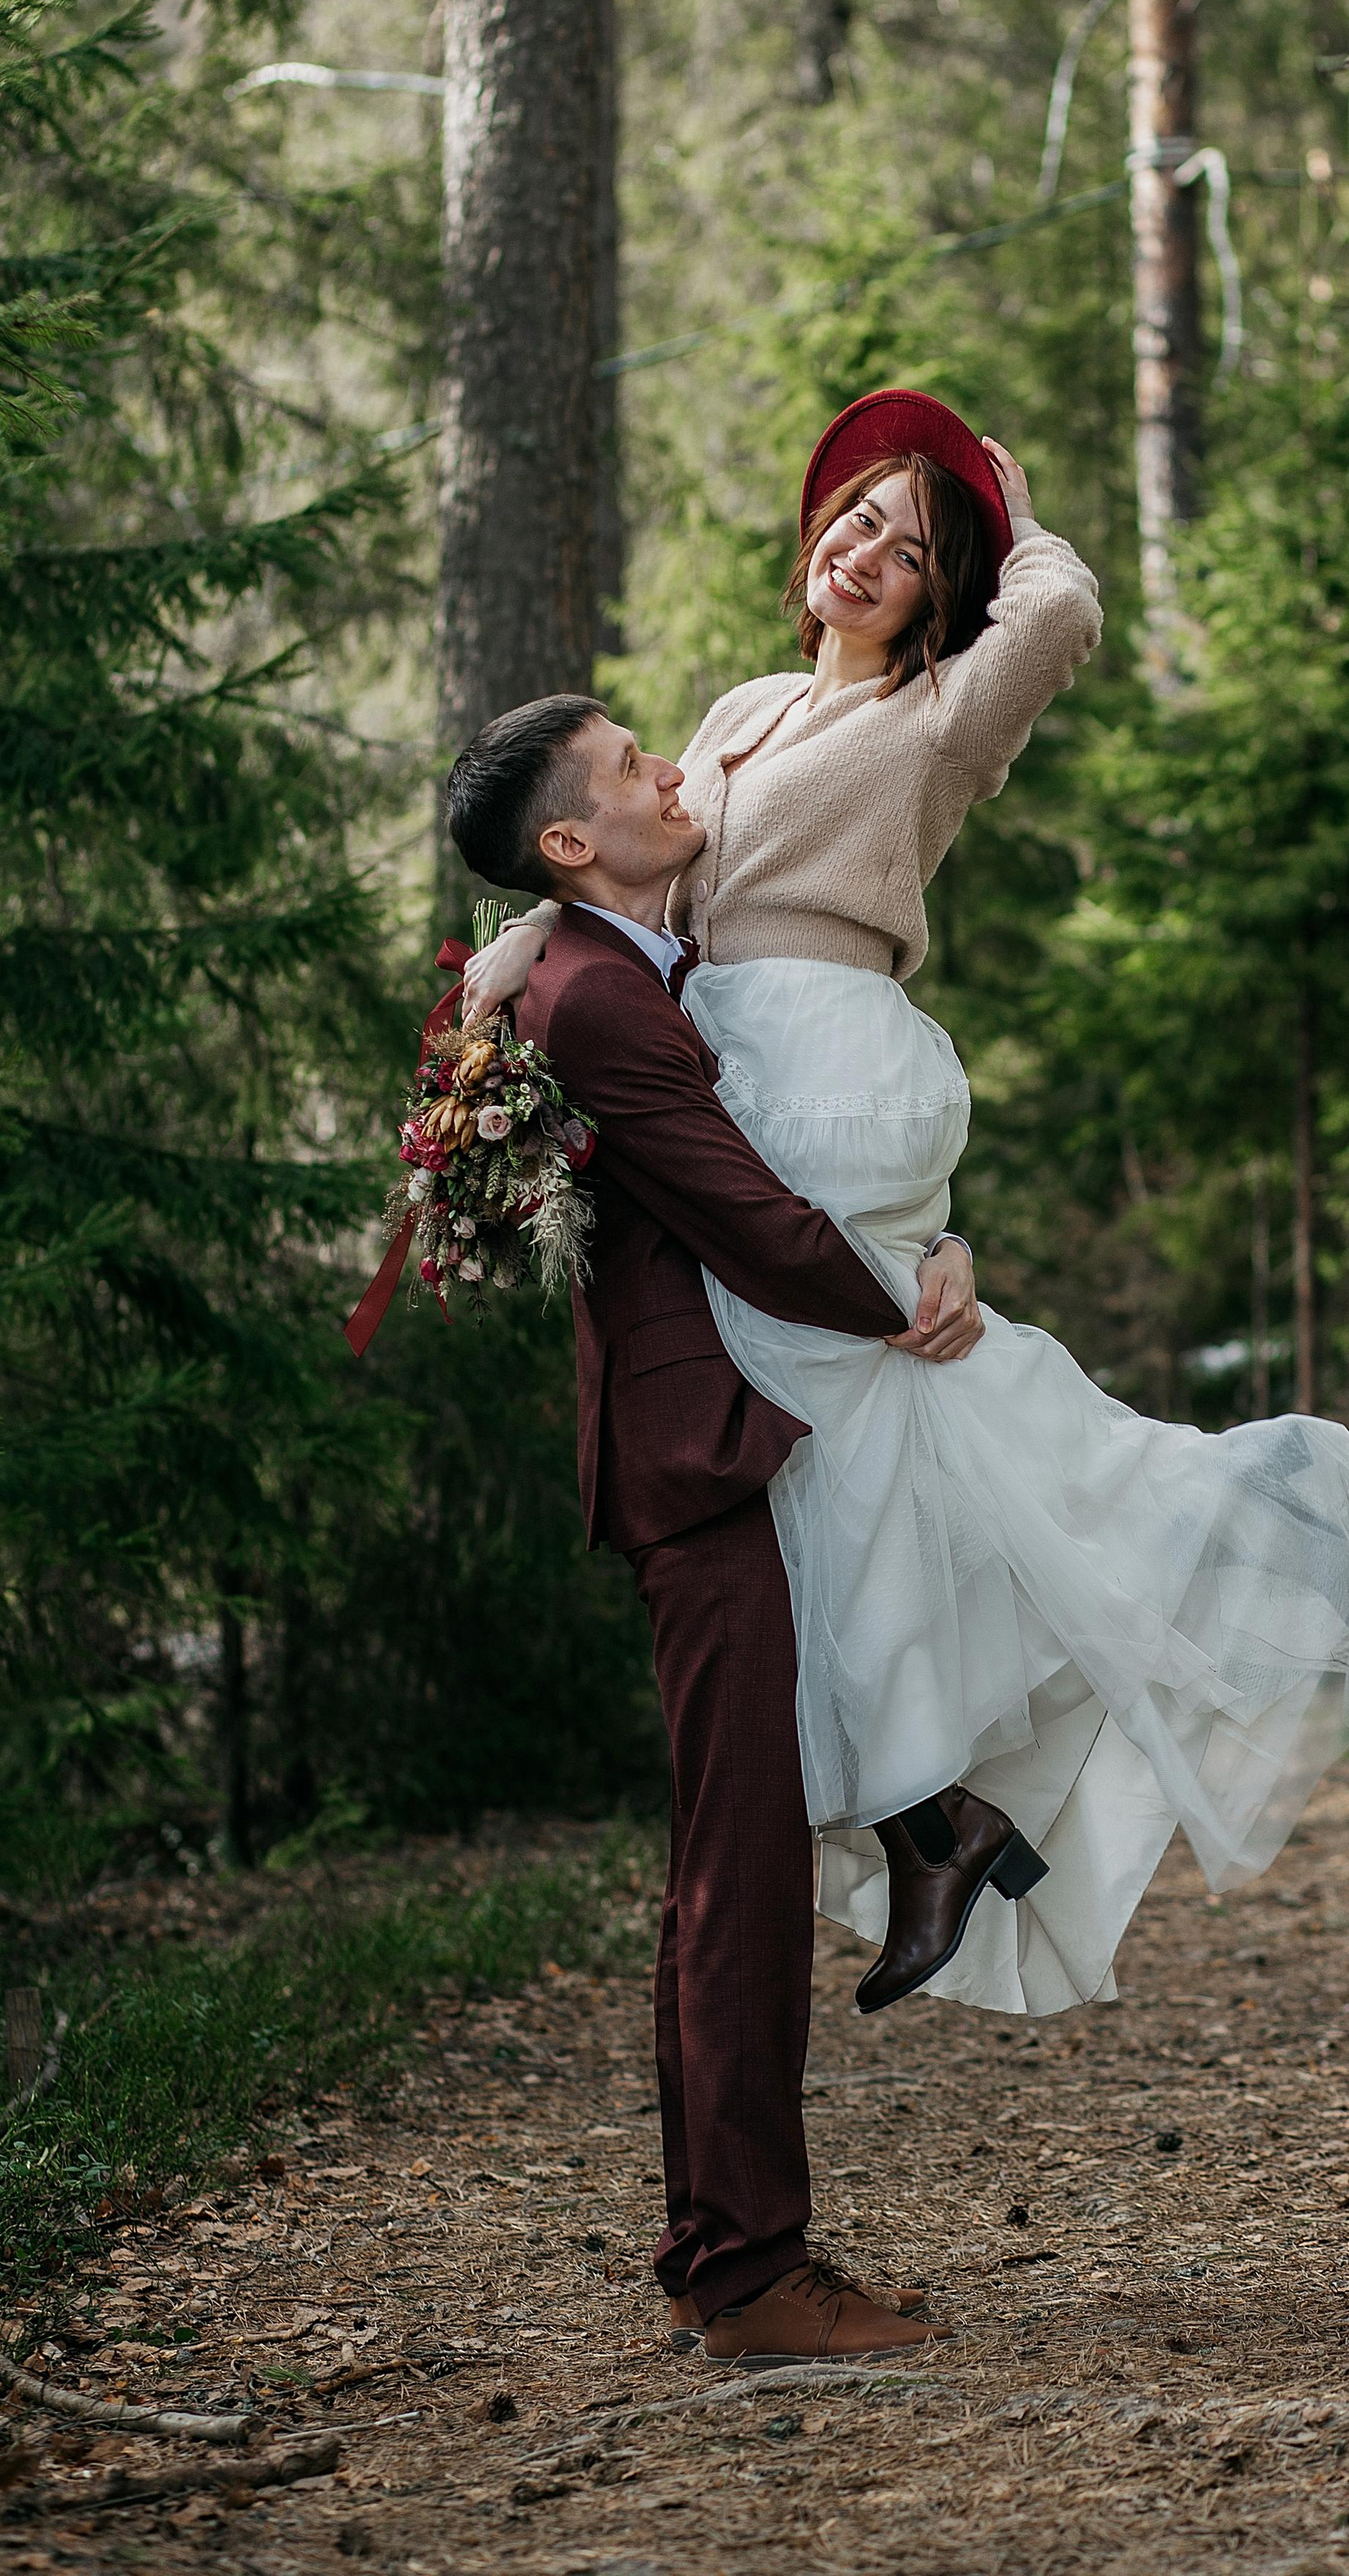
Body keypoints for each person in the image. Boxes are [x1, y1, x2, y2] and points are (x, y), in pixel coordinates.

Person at [461, 387, 1349, 2024]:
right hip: (739, 1056)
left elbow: (1060, 607)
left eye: (905, 552)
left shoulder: (944, 712)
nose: (861, 550)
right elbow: (623, 876)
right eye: (852, 519)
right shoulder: (739, 706)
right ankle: (936, 1816)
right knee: (847, 1457)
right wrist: (498, 978)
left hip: (829, 1051)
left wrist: (998, 496)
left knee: (836, 1407)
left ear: (935, 597)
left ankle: (965, 1777)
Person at [445, 698, 988, 2364]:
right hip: (701, 1451)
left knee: (735, 1855)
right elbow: (740, 1212)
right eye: (630, 771)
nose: (672, 772)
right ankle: (748, 2271)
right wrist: (901, 1297)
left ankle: (935, 1829)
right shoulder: (591, 995)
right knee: (733, 1875)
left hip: (739, 1430)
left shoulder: (595, 957)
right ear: (566, 844)